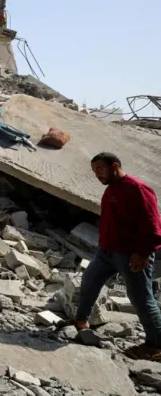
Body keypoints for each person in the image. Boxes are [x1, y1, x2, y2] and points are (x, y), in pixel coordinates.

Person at [76, 152, 161, 361]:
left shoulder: (138, 189)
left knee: (141, 299)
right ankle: (80, 321)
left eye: (100, 169)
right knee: (89, 281)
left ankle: (156, 344)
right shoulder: (111, 189)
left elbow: (153, 226)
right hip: (106, 251)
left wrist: (142, 253)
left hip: (131, 255)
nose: (97, 175)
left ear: (114, 166)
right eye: (95, 171)